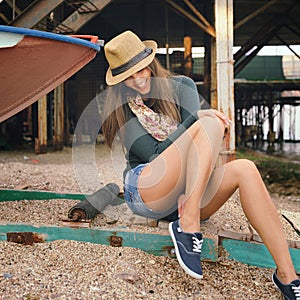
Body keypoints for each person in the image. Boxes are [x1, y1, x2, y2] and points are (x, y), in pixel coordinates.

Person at [101, 30, 300, 299]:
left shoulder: (182, 86)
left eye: (141, 70)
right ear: (121, 81)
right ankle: (189, 223)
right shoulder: (123, 110)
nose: (138, 80)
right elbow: (156, 156)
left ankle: (287, 277)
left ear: (151, 63)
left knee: (245, 168)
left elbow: (199, 145)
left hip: (186, 192)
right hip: (146, 188)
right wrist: (195, 120)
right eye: (128, 76)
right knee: (208, 121)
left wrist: (198, 120)